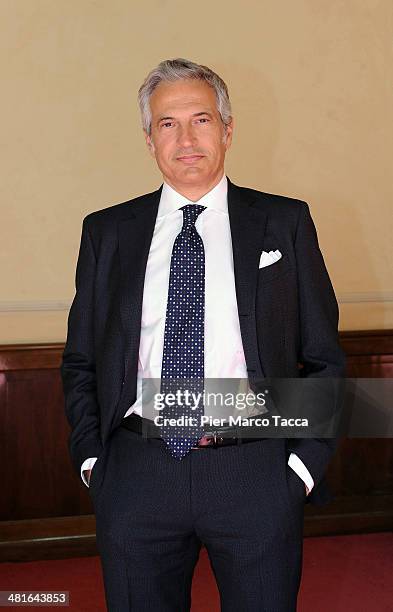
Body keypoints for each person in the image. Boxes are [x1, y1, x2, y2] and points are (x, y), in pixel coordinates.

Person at [61, 58, 346, 611]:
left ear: (228, 129)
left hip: (255, 469)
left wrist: (301, 468)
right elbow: (80, 359)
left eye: (202, 119)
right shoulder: (107, 232)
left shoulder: (284, 222)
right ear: (149, 140)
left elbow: (324, 357)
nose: (186, 138)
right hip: (137, 472)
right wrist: (95, 460)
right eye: (168, 123)